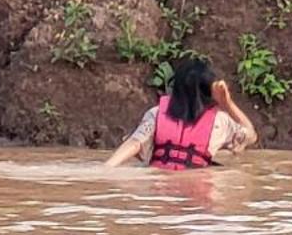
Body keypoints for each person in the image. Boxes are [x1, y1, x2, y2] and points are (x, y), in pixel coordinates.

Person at [104, 57, 259, 171]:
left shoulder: (156, 114)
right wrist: (228, 104)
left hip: (160, 190)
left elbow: (134, 143)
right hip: (198, 192)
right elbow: (251, 135)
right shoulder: (220, 122)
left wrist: (106, 168)